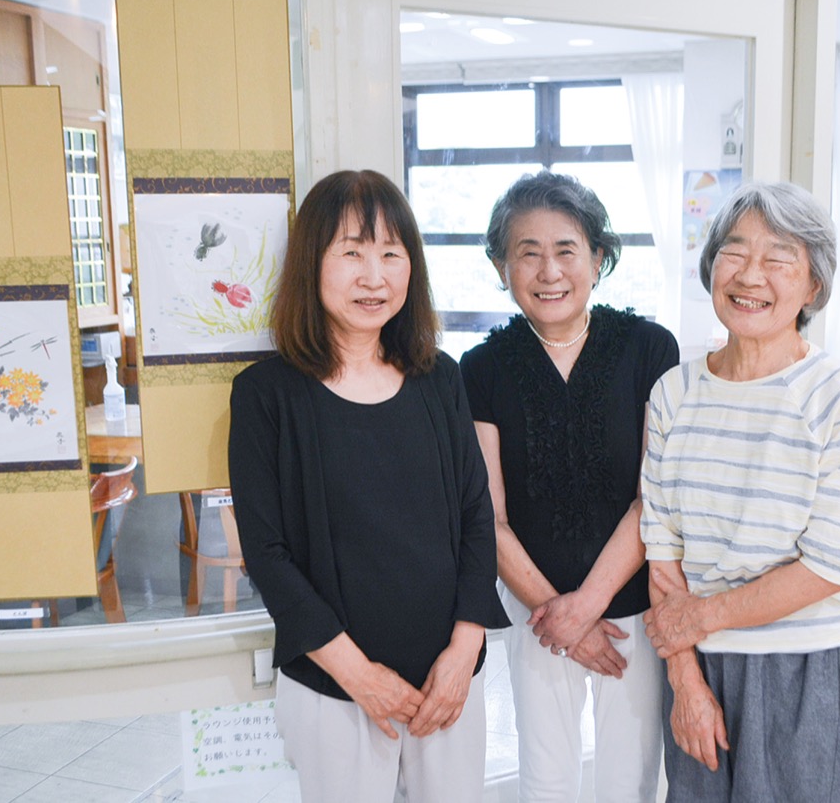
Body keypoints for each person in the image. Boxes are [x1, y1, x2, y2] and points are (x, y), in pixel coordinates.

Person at [229, 170, 509, 803]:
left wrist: (464, 650)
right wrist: (360, 677)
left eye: (390, 253)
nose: (374, 277)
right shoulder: (266, 396)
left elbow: (476, 517)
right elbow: (268, 556)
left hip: (448, 683)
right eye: (352, 253)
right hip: (334, 688)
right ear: (312, 262)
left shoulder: (440, 378)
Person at [641, 181, 840, 802]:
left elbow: (830, 565)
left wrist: (697, 619)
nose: (751, 275)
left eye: (779, 258)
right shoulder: (673, 393)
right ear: (711, 265)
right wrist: (685, 679)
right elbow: (661, 547)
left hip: (806, 667)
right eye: (735, 252)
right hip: (698, 663)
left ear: (813, 286)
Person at [460, 170, 679, 801]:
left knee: (630, 781)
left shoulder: (648, 349)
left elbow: (652, 497)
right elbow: (490, 517)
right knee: (546, 781)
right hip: (537, 614)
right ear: (501, 266)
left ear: (598, 258)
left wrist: (588, 609)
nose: (549, 271)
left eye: (566, 250)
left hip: (634, 607)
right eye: (527, 253)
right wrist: (561, 616)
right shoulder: (481, 368)